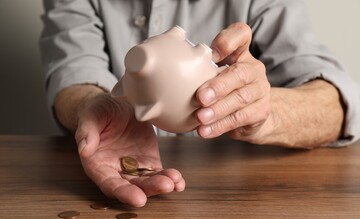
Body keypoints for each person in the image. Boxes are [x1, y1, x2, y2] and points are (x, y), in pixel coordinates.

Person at [39, 0, 360, 207]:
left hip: (240, 200)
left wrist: (268, 112)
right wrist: (94, 105)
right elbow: (73, 69)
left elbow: (340, 101)